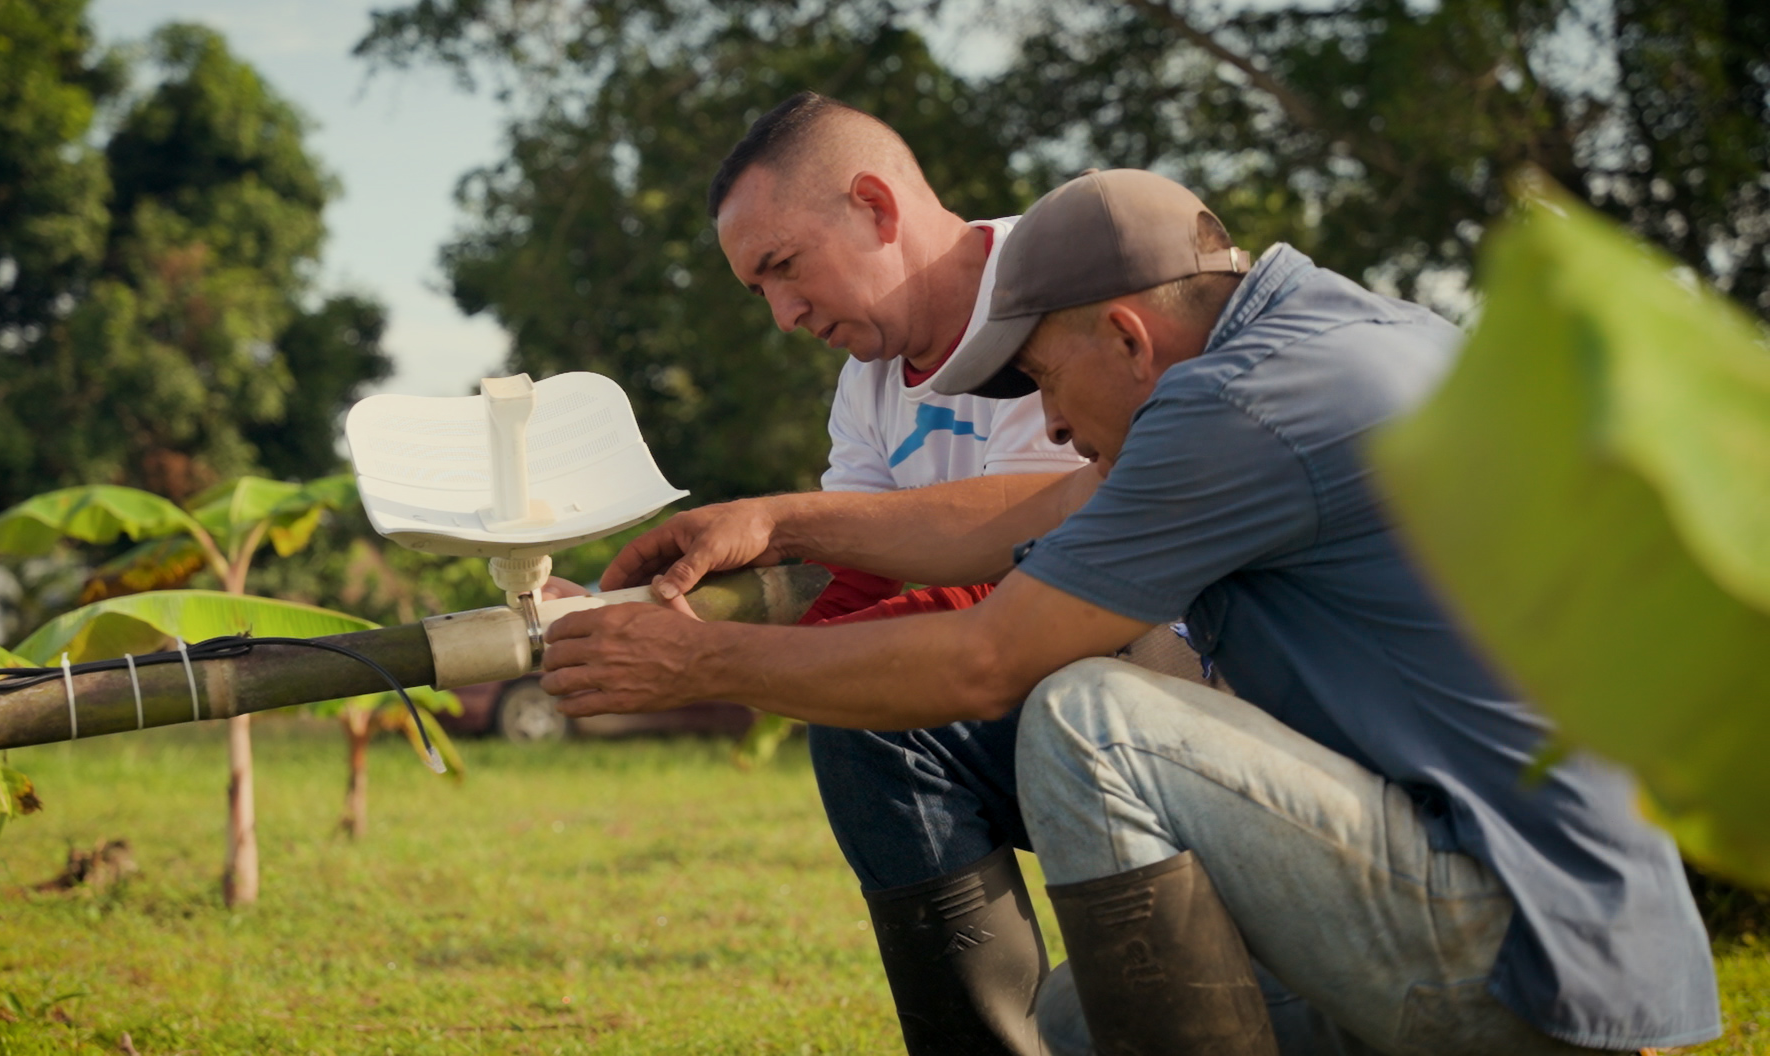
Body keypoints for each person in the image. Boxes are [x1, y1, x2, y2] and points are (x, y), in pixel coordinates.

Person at [537, 169, 1723, 1055]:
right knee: (1067, 1024)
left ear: (1125, 335)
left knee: (1089, 715)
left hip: (1518, 956)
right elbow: (1002, 517)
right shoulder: (1329, 340)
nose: (1046, 419)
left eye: (1044, 379)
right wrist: (778, 523)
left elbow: (982, 662)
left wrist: (696, 666)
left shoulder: (1240, 409)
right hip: (1582, 930)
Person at [705, 92, 1107, 1055]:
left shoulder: (1063, 284)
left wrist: (729, 655)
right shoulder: (868, 378)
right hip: (1036, 698)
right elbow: (860, 571)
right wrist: (642, 622)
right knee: (864, 718)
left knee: (878, 699)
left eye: (783, 268)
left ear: (877, 209)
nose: (784, 314)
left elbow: (1049, 546)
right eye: (757, 292)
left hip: (1182, 679)